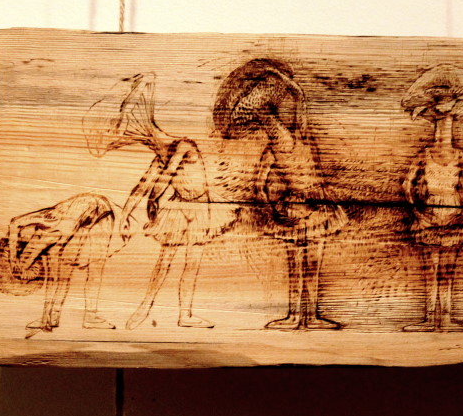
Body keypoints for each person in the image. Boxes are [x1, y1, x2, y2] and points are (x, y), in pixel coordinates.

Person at [85, 73, 232, 330]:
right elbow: (141, 187)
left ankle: (185, 315)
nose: (150, 146)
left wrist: (153, 198)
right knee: (164, 262)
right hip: (179, 207)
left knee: (191, 263)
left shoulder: (184, 145)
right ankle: (144, 308)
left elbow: (165, 176)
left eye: (149, 141)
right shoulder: (160, 158)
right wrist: (123, 216)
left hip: (200, 209)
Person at [213, 59, 347, 330]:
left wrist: (287, 83)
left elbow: (260, 186)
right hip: (303, 207)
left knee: (305, 264)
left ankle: (305, 316)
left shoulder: (293, 140)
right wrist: (274, 208)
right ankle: (299, 316)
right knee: (302, 264)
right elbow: (260, 186)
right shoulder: (282, 145)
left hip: (308, 207)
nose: (272, 125)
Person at [400, 64, 463, 332]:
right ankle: (429, 317)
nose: (443, 128)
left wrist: (462, 213)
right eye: (440, 121)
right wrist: (419, 212)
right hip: (430, 212)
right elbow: (407, 185)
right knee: (430, 266)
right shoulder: (424, 155)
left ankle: (445, 317)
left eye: (447, 122)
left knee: (447, 268)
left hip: (452, 211)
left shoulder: (459, 155)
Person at [0, 193, 123, 337]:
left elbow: (15, 222)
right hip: (79, 218)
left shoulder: (50, 224)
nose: (24, 263)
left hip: (101, 210)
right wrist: (45, 316)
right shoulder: (49, 244)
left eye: (20, 267)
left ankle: (91, 317)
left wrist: (13, 258)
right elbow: (54, 279)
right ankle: (51, 317)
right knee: (63, 271)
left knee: (95, 265)